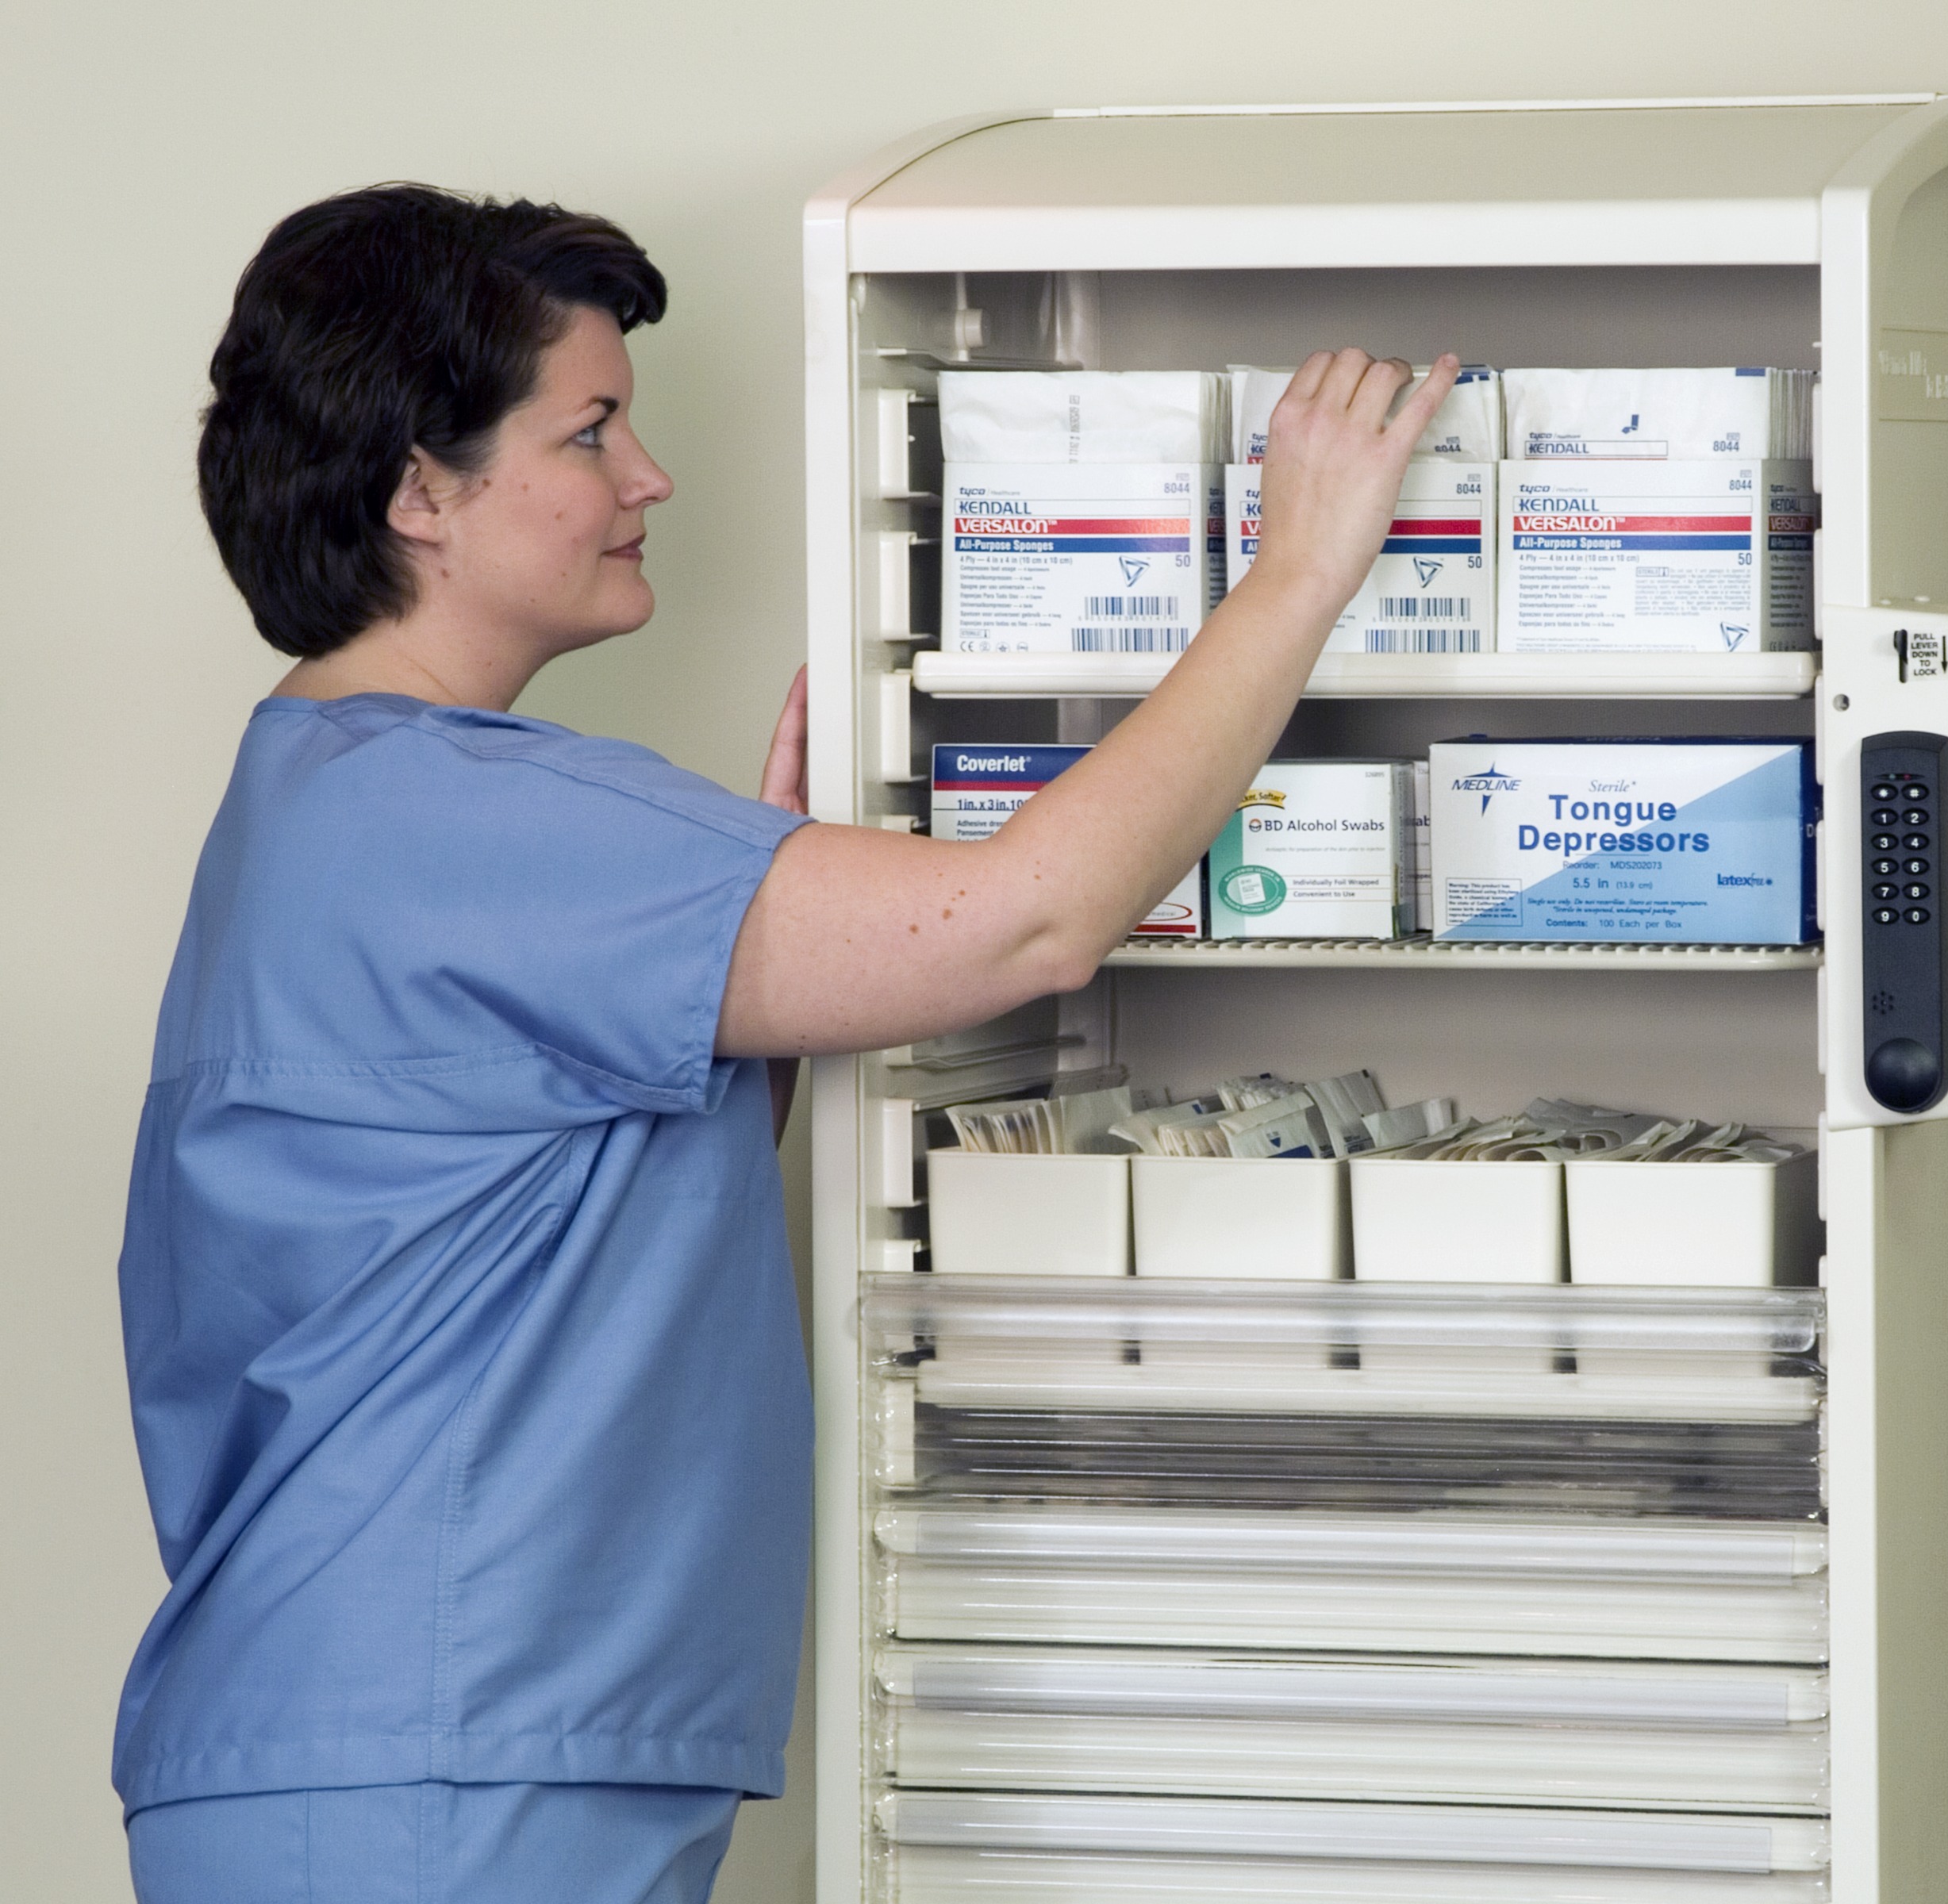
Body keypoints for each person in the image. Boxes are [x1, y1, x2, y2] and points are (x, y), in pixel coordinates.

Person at [113, 182, 1453, 1904]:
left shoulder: (344, 805)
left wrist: (746, 964)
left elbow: (560, 1233)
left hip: (446, 1745)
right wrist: (1301, 567)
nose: (649, 477)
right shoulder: (449, 815)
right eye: (592, 431)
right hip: (435, 1760)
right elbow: (1028, 925)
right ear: (419, 490)